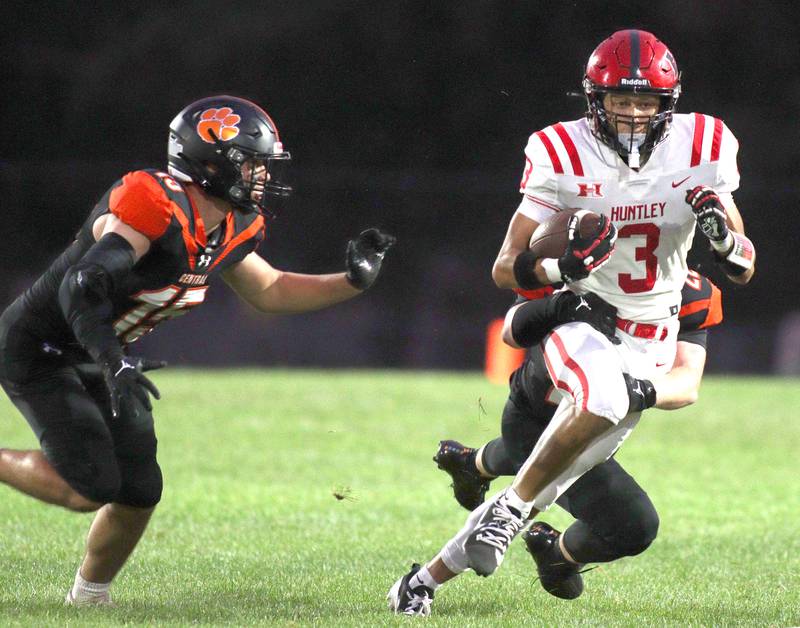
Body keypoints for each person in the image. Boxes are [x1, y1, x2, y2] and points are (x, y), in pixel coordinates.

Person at [388, 28, 754, 616]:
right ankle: (507, 508)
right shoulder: (560, 151)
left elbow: (742, 263)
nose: (634, 114)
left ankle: (422, 581)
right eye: (620, 101)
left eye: (646, 102)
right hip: (579, 322)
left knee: (548, 484)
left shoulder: (706, 146)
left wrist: (725, 242)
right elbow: (507, 269)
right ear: (594, 99)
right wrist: (563, 265)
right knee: (599, 393)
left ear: (669, 104)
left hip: (647, 343)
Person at [0, 95, 395, 606]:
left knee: (140, 490)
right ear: (211, 162)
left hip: (104, 353)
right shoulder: (153, 201)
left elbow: (270, 289)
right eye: (251, 163)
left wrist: (352, 282)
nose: (261, 175)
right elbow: (81, 285)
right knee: (90, 485)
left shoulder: (232, 222)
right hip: (42, 347)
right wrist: (110, 358)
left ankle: (89, 599)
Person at [431, 270, 722, 601]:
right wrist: (561, 303)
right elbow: (514, 328)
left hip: (597, 424)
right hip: (537, 412)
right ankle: (422, 581)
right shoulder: (582, 258)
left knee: (632, 522)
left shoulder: (687, 290)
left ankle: (542, 538)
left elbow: (687, 381)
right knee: (525, 505)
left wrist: (636, 392)